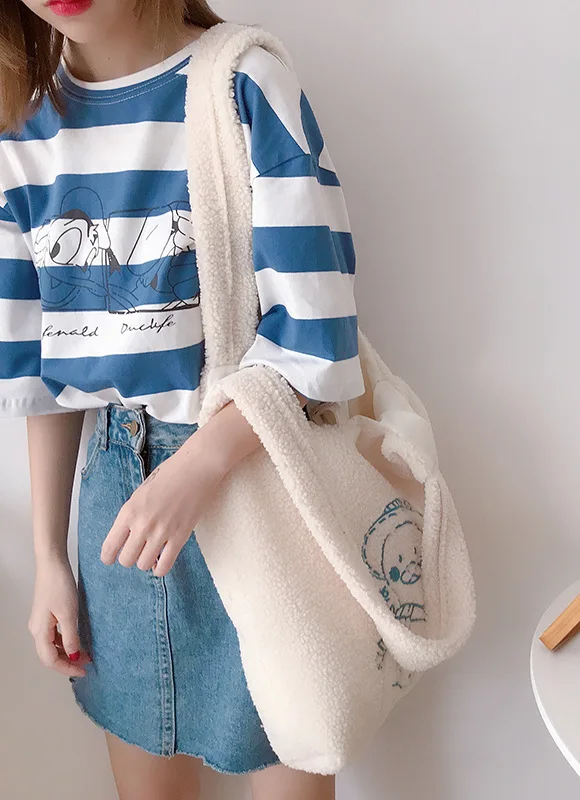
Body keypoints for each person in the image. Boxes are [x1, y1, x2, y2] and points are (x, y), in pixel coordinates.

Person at [0, 1, 364, 798]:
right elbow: (41, 376)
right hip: (114, 513)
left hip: (258, 479)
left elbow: (319, 329)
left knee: (297, 750)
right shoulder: (24, 134)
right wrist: (49, 557)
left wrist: (200, 465)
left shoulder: (241, 84)